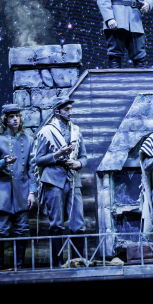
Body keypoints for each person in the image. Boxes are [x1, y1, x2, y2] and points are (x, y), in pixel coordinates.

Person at [31, 98, 88, 266]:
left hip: (73, 179)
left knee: (78, 223)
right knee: (56, 223)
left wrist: (78, 163)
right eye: (66, 109)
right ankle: (57, 264)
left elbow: (83, 156)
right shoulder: (46, 132)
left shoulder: (76, 131)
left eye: (70, 108)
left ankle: (78, 262)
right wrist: (57, 155)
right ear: (57, 111)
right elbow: (38, 160)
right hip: (53, 180)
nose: (70, 112)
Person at [0, 104, 36, 270]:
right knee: (0, 231)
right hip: (3, 193)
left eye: (17, 116)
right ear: (5, 119)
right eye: (11, 116)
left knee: (22, 230)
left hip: (22, 193)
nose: (15, 119)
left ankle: (19, 268)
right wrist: (3, 162)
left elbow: (32, 169)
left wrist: (32, 192)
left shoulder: (28, 140)